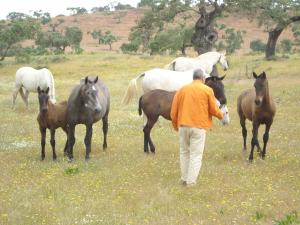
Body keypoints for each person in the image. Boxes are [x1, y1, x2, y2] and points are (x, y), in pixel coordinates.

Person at [170, 69, 224, 187]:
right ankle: (191, 182)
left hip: (183, 126)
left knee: (184, 152)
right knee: (196, 155)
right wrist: (221, 115)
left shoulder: (182, 90)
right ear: (203, 79)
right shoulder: (207, 90)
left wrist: (175, 125)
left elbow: (173, 111)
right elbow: (213, 109)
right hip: (198, 127)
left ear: (193, 78)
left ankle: (184, 179)